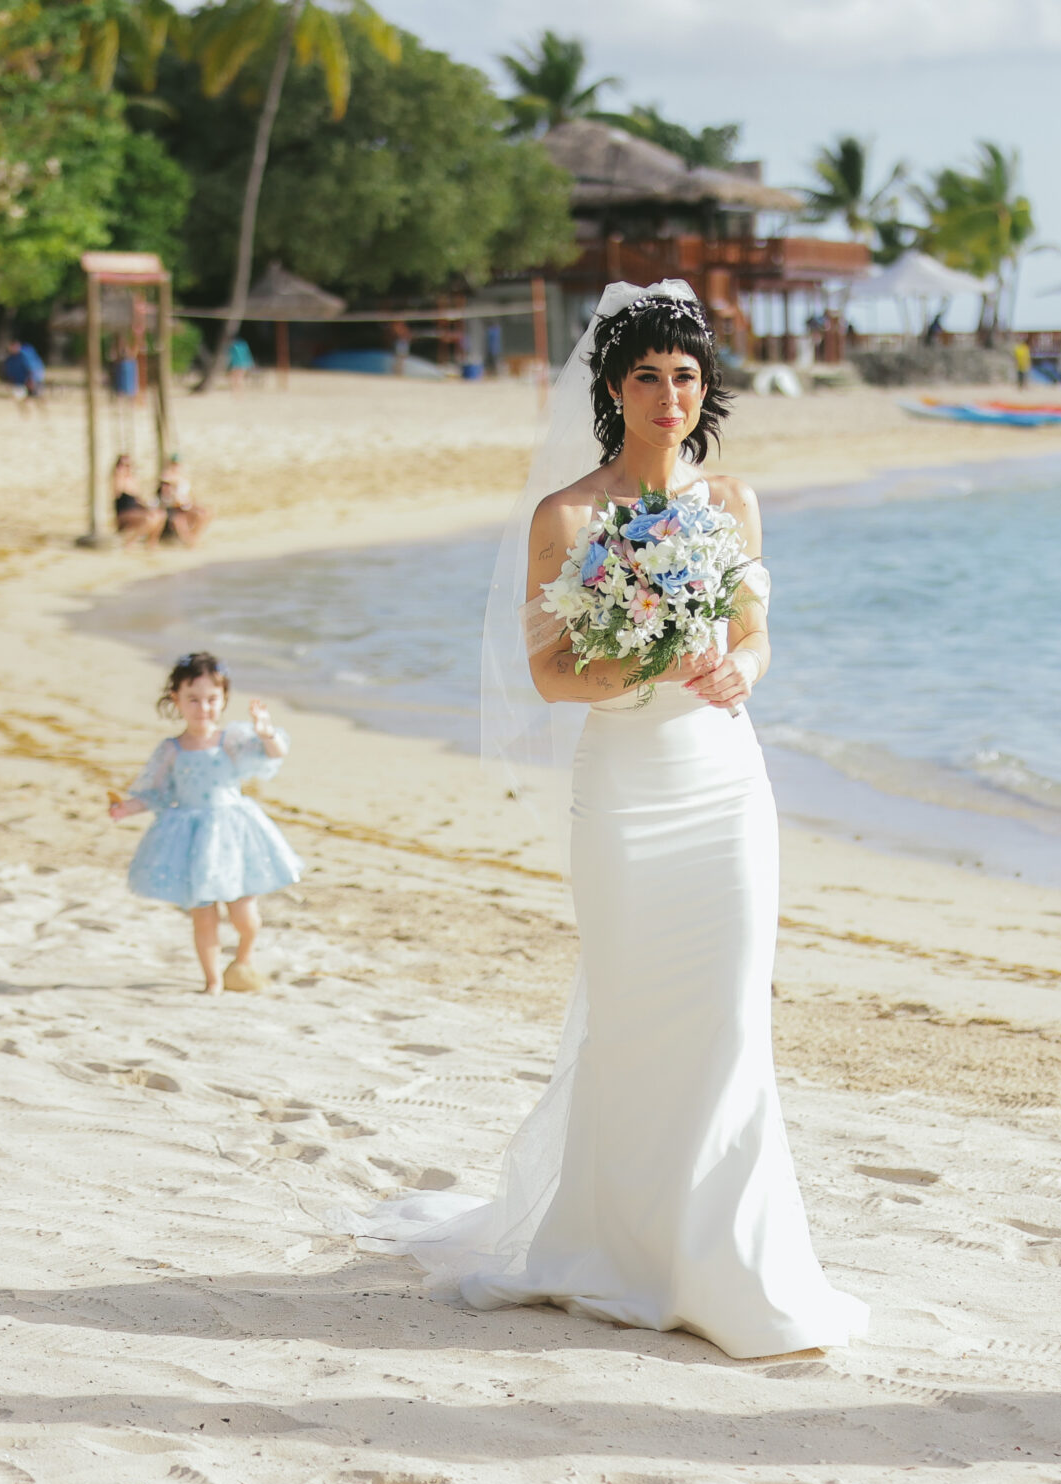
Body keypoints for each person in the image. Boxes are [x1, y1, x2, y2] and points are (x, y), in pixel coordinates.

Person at [335, 281, 869, 1361]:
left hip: (723, 786)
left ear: (705, 389)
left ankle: (730, 1267)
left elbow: (761, 637)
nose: (669, 395)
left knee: (728, 1017)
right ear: (613, 389)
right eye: (647, 377)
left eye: (685, 376)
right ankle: (616, 1249)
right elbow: (547, 675)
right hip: (626, 793)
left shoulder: (735, 505)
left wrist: (735, 668)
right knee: (633, 1020)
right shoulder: (568, 518)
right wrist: (646, 654)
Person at [108, 654, 301, 994]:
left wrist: (266, 730)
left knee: (244, 914)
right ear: (176, 700)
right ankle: (212, 980)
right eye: (193, 700)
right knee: (204, 915)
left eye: (212, 699)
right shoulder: (171, 749)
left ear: (224, 699)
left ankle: (243, 957)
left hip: (233, 833)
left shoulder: (232, 740)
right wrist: (127, 808)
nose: (203, 708)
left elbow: (274, 753)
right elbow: (158, 793)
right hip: (191, 839)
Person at [157, 456, 212, 548]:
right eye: (174, 464)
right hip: (173, 506)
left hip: (185, 504)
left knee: (205, 513)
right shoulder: (166, 477)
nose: (176, 466)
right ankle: (189, 541)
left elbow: (188, 495)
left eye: (177, 464)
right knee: (179, 519)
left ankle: (193, 538)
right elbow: (166, 496)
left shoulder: (183, 477)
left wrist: (191, 503)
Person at [109, 452, 161, 546]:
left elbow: (137, 498)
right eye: (123, 465)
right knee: (148, 519)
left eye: (128, 465)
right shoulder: (117, 479)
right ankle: (130, 541)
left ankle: (151, 542)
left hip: (135, 509)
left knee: (159, 515)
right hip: (124, 512)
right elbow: (117, 492)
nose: (126, 468)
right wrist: (120, 475)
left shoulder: (132, 480)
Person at [0, 337, 45, 414]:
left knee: (37, 398)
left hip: (31, 380)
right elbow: (9, 372)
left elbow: (32, 368)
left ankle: (42, 412)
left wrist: (32, 380)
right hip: (19, 382)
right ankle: (25, 414)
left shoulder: (25, 355)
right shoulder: (10, 359)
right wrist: (10, 382)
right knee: (19, 398)